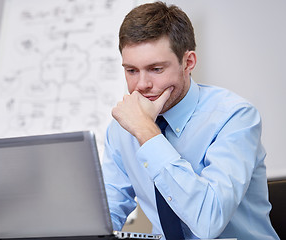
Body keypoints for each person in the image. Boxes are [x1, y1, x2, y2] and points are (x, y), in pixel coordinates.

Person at [101, 1, 279, 240]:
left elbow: (208, 222)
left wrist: (146, 131)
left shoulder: (236, 117)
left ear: (189, 62)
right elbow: (107, 212)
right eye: (131, 71)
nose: (142, 85)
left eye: (155, 69)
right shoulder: (121, 129)